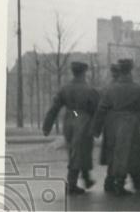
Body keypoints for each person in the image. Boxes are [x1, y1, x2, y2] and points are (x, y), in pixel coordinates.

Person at [42, 61, 100, 195]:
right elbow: (97, 110)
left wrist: (47, 126)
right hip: (84, 121)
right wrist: (97, 127)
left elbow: (54, 108)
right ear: (84, 72)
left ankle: (86, 179)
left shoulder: (64, 88)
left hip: (69, 120)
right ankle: (72, 184)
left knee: (75, 151)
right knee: (81, 151)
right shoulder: (90, 90)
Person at [91, 59, 140, 196]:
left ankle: (109, 181)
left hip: (111, 124)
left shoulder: (110, 88)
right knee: (126, 154)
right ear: (131, 70)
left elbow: (101, 109)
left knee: (113, 152)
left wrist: (96, 129)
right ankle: (119, 184)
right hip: (131, 124)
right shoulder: (138, 89)